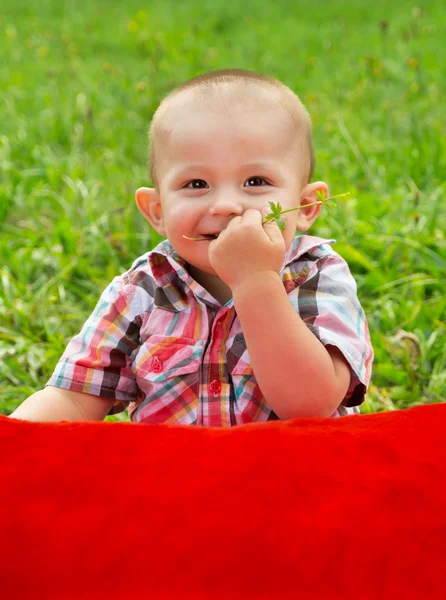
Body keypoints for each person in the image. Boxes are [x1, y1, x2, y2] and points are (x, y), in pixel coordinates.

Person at [10, 68, 374, 426]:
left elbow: (310, 406)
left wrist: (255, 280)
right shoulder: (143, 288)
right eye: (196, 184)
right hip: (174, 481)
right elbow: (74, 399)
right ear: (157, 211)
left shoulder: (317, 275)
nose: (226, 205)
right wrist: (13, 443)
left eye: (256, 181)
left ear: (307, 206)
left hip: (293, 479)